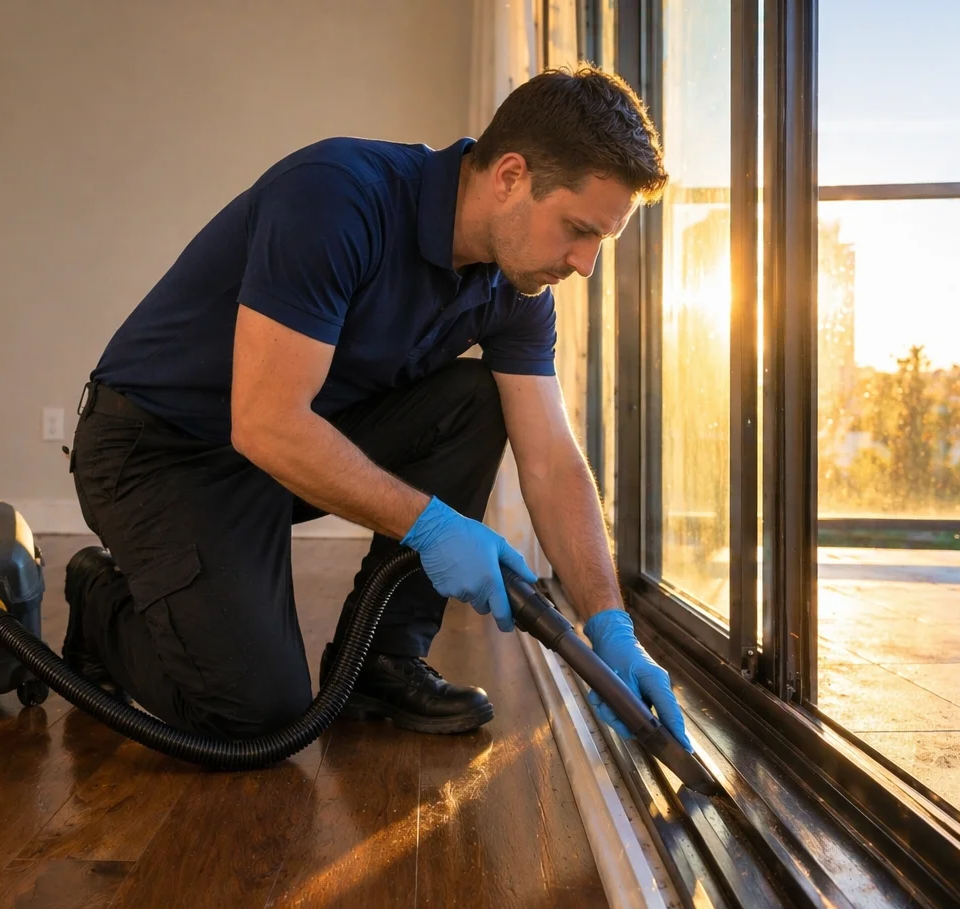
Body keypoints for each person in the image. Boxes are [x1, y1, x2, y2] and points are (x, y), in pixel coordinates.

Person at [62, 65, 691, 750]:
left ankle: (382, 661)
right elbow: (267, 421)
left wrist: (611, 627)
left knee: (476, 401)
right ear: (511, 176)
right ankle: (99, 601)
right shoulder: (337, 198)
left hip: (284, 450)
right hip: (160, 452)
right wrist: (431, 527)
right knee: (255, 717)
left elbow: (551, 461)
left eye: (601, 239)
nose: (584, 264)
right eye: (578, 229)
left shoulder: (516, 288)